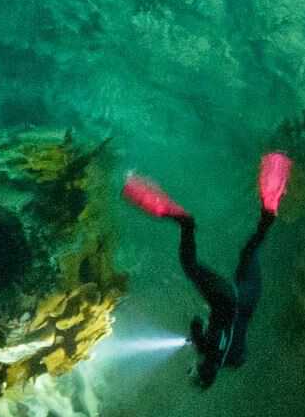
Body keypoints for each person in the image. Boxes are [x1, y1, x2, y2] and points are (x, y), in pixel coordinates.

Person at [121, 152, 292, 389]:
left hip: (247, 298)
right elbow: (198, 324)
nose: (191, 365)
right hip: (227, 299)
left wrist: (208, 338)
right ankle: (185, 222)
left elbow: (235, 351)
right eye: (192, 370)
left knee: (250, 252)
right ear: (201, 371)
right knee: (190, 265)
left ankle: (269, 212)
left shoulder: (230, 360)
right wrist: (198, 336)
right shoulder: (208, 351)